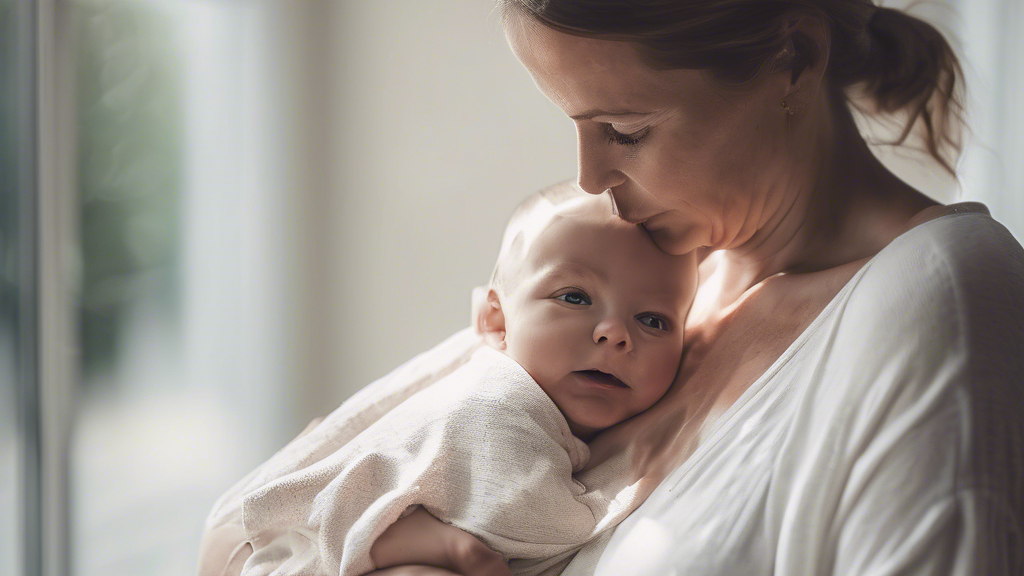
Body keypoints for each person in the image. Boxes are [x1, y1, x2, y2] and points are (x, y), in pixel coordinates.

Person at [202, 1, 1024, 574]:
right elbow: (241, 532)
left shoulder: (938, 295)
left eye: (627, 130)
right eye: (576, 126)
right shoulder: (647, 271)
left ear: (794, 58)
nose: (591, 177)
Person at [197, 184, 698, 576]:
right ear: (496, 322)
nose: (614, 334)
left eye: (653, 321)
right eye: (574, 297)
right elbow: (534, 515)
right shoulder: (495, 403)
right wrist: (630, 484)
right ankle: (393, 530)